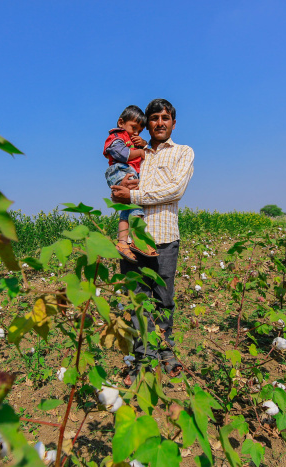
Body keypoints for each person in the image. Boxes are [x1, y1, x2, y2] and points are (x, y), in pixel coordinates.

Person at [111, 98, 194, 384]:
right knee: (137, 301)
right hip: (134, 240)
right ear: (147, 123)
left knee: (164, 299)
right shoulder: (138, 155)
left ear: (173, 122)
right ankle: (143, 358)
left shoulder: (183, 152)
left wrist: (133, 195)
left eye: (165, 118)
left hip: (165, 237)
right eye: (154, 118)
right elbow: (118, 183)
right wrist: (123, 190)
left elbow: (174, 190)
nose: (160, 122)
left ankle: (166, 350)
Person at [103, 105, 157, 262]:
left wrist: (143, 143)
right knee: (135, 202)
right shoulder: (116, 138)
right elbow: (123, 154)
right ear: (121, 123)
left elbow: (141, 148)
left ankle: (122, 242)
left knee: (128, 206)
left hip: (126, 171)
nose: (135, 133)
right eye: (133, 128)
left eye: (139, 131)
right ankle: (138, 240)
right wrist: (140, 152)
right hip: (120, 170)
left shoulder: (132, 139)